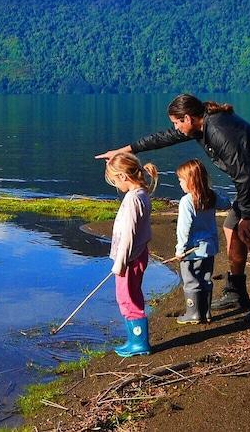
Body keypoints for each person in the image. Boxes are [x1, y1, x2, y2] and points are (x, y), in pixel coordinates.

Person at [96, 94, 250, 323]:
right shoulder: (199, 126)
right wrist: (125, 150)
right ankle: (237, 292)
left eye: (176, 122)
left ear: (188, 118)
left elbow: (245, 175)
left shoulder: (219, 130)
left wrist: (249, 217)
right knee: (231, 228)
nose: (175, 128)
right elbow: (165, 138)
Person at [105, 152, 158, 357]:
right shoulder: (142, 193)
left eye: (115, 180)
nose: (116, 186)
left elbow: (128, 235)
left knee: (127, 298)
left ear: (124, 177)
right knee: (132, 295)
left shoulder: (133, 199)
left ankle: (138, 342)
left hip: (129, 258)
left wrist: (120, 263)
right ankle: (135, 340)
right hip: (137, 254)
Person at [174, 159, 229, 324]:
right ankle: (206, 312)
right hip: (209, 248)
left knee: (191, 280)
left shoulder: (186, 201)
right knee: (206, 279)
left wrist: (180, 250)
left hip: (192, 250)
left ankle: (193, 313)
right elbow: (226, 203)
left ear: (190, 181)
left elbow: (184, 229)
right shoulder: (211, 195)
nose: (179, 183)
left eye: (181, 180)